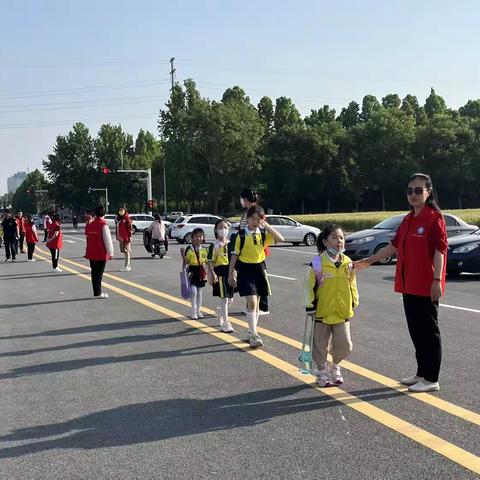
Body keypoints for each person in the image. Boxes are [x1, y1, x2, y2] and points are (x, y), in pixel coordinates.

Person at [355, 173, 447, 393]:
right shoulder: (407, 219)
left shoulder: (434, 218)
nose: (413, 195)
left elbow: (440, 250)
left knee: (429, 331)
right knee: (416, 330)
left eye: (418, 190)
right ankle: (421, 373)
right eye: (410, 190)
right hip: (408, 285)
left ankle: (432, 378)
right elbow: (392, 247)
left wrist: (436, 280)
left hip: (426, 284)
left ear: (428, 191)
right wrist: (367, 261)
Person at [304, 224, 358, 387]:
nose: (339, 241)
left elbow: (352, 283)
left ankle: (335, 366)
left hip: (342, 311)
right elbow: (309, 286)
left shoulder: (347, 262)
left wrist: (354, 301)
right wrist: (310, 305)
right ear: (326, 242)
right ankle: (321, 372)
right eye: (334, 237)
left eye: (341, 237)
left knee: (345, 345)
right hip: (322, 311)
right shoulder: (318, 262)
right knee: (320, 345)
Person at [228, 206, 284, 348]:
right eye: (252, 218)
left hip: (259, 269)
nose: (255, 222)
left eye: (258, 219)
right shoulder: (240, 235)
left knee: (257, 304)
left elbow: (281, 239)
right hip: (245, 270)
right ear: (247, 218)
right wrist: (231, 273)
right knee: (252, 302)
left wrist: (267, 225)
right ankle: (253, 334)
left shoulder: (263, 234)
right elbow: (234, 255)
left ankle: (251, 331)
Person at [237, 189, 270, 315]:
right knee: (251, 278)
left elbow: (261, 228)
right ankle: (251, 306)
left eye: (242, 199)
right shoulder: (247, 211)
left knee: (260, 277)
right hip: (247, 248)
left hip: (257, 248)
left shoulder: (256, 211)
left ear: (245, 199)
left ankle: (262, 307)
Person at [207, 219, 235, 333]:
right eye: (220, 227)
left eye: (225, 227)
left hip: (230, 271)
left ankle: (220, 312)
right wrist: (212, 273)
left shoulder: (231, 244)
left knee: (231, 299)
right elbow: (209, 261)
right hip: (220, 271)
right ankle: (226, 323)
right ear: (216, 230)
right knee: (224, 298)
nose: (223, 230)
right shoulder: (213, 245)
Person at [85, 205, 114, 299]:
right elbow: (107, 240)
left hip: (91, 252)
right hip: (100, 253)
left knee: (94, 273)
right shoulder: (103, 225)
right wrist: (111, 252)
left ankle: (96, 292)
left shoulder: (90, 224)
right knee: (99, 274)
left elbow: (87, 238)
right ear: (103, 213)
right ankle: (98, 293)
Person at [181, 228, 208, 320]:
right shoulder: (189, 249)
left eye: (200, 236)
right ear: (192, 238)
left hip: (201, 271)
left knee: (199, 292)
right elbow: (186, 262)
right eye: (196, 236)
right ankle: (193, 310)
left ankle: (198, 311)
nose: (198, 238)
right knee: (193, 291)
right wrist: (183, 256)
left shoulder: (204, 249)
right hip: (192, 271)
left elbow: (207, 262)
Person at [116, 207, 132, 271]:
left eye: (122, 210)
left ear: (125, 211)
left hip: (125, 238)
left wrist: (129, 237)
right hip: (121, 238)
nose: (120, 212)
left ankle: (126, 266)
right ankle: (128, 265)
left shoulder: (127, 219)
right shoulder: (121, 219)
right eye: (119, 210)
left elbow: (129, 229)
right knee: (125, 252)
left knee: (126, 252)